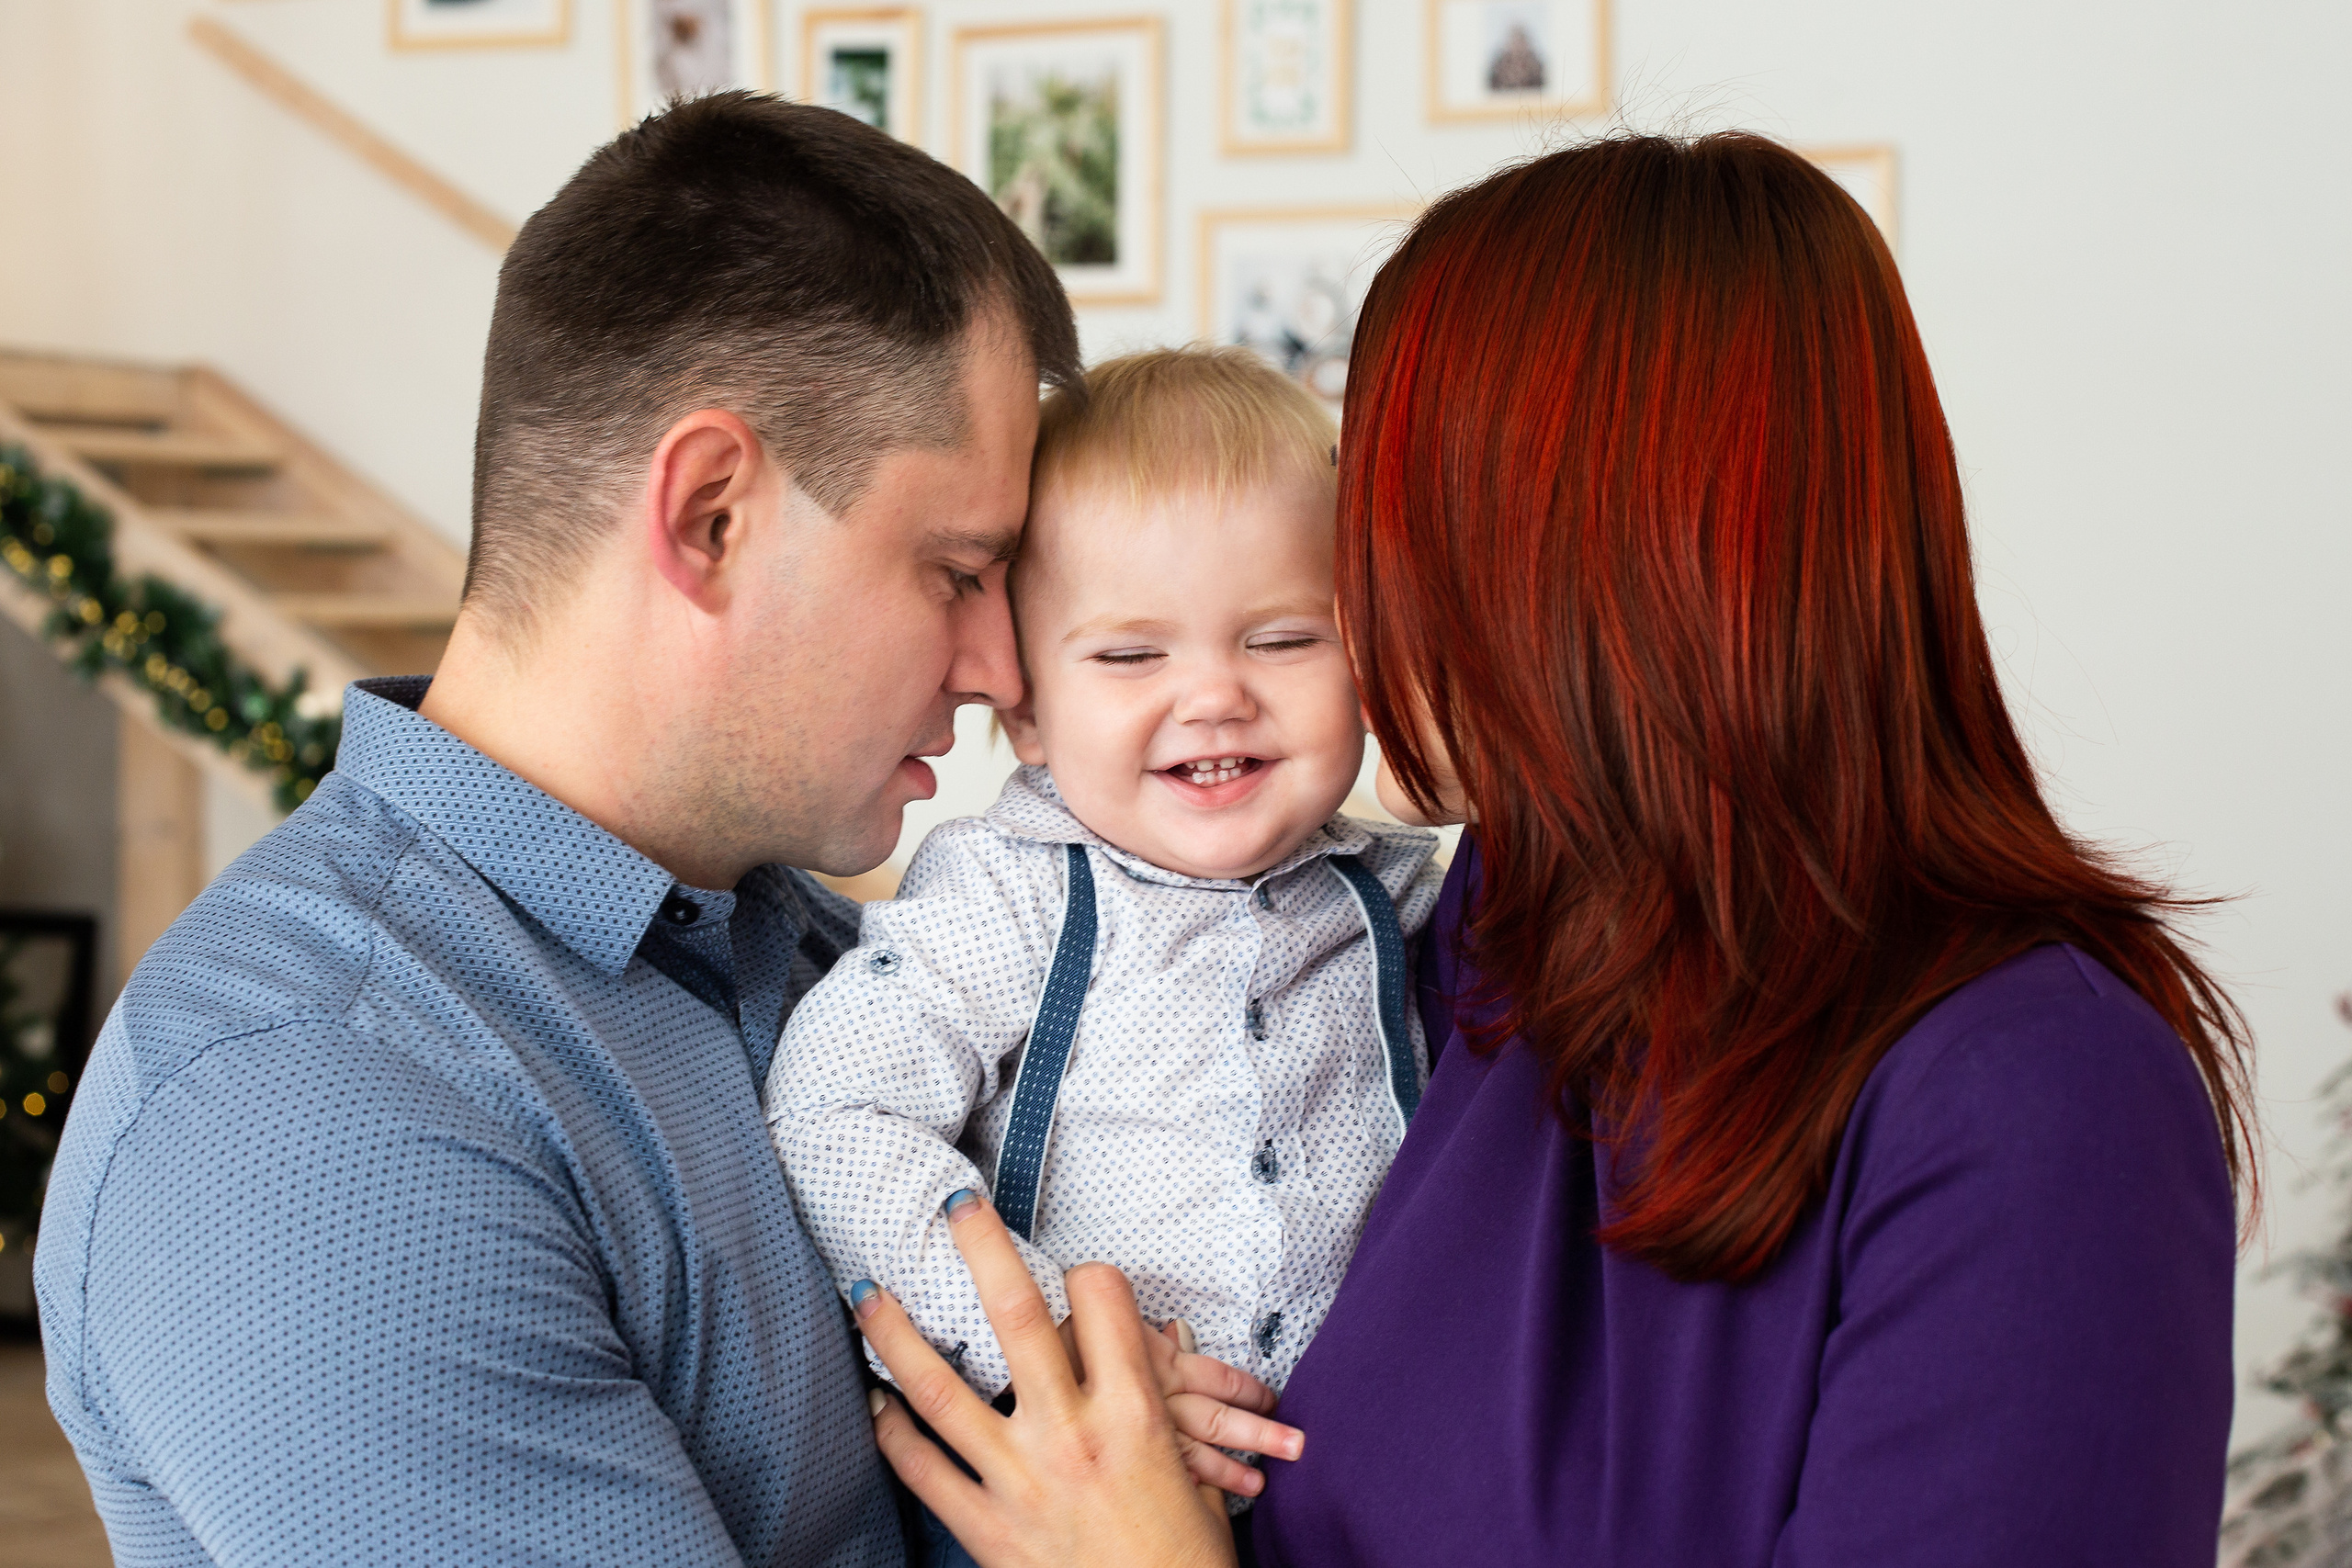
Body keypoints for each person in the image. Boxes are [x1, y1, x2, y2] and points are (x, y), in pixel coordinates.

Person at [849, 132, 2256, 1568]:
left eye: (1378, 523)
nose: (1353, 603)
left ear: (1575, 557)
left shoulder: (2037, 1100)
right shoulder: (1484, 942)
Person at [31, 92, 1182, 1566]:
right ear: (710, 514)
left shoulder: (816, 950)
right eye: (959, 572)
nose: (1006, 673)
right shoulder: (312, 1123)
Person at [766, 348, 1434, 1555]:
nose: (1215, 696)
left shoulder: (1402, 896)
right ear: (1026, 707)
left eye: (1285, 639)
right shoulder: (1010, 891)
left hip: (1357, 1504)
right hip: (1058, 1504)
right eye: (1133, 655)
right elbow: (833, 1109)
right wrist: (1056, 1351)